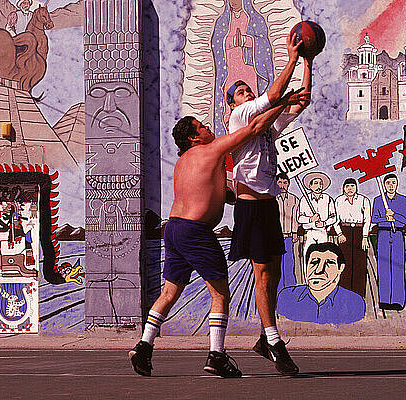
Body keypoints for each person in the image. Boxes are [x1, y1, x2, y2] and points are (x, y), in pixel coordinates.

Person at [128, 90, 309, 378]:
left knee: (169, 291)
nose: (208, 127)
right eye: (202, 126)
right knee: (221, 294)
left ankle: (144, 346)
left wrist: (236, 195)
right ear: (193, 137)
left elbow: (213, 192)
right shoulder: (211, 150)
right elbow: (253, 128)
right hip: (195, 231)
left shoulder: (183, 162)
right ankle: (216, 355)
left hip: (173, 228)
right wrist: (284, 102)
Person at [225, 31, 313, 376]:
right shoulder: (239, 118)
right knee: (262, 274)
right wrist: (291, 56)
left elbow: (300, 99)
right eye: (241, 92)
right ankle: (276, 343)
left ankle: (265, 336)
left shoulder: (266, 124)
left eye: (249, 89)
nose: (247, 93)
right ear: (232, 104)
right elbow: (275, 96)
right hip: (250, 204)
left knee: (273, 274)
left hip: (268, 207)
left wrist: (309, 61)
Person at [277, 242, 365, 324]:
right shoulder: (287, 298)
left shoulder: (353, 302)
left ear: (340, 268)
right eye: (314, 262)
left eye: (329, 263)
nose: (319, 270)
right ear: (306, 266)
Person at [371, 174, 406, 311]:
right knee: (384, 266)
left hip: (398, 233)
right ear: (384, 185)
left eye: (393, 183)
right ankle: (385, 300)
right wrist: (386, 219)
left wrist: (394, 215)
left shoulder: (403, 200)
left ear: (397, 184)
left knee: (398, 265)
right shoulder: (378, 200)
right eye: (388, 183)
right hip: (383, 233)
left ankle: (398, 301)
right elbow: (374, 219)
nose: (391, 185)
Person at [334, 178, 372, 298]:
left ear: (356, 187)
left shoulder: (363, 200)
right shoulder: (339, 201)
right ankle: (344, 296)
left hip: (359, 232)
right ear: (343, 188)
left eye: (352, 186)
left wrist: (364, 236)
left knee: (360, 265)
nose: (350, 189)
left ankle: (359, 296)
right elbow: (335, 219)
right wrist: (339, 233)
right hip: (344, 231)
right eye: (347, 186)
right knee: (344, 264)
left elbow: (367, 220)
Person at [297, 171, 336, 259]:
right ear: (310, 186)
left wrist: (324, 223)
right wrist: (310, 219)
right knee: (309, 256)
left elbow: (333, 217)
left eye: (320, 184)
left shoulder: (328, 199)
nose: (319, 186)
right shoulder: (304, 199)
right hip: (310, 232)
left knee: (323, 257)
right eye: (316, 183)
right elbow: (299, 218)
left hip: (323, 231)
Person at [276, 172, 299, 292]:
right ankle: (278, 291)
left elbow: (295, 217)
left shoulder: (294, 199)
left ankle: (290, 290)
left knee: (289, 263)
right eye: (280, 182)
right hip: (275, 237)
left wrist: (295, 232)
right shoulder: (272, 199)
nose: (282, 185)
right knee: (277, 264)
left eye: (285, 182)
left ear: (288, 184)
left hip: (289, 236)